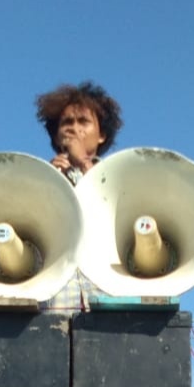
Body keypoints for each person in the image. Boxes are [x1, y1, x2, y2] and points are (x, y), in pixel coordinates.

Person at [35, 81, 123, 310]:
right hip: (56, 302)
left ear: (102, 135)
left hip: (108, 299)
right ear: (56, 137)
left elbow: (117, 214)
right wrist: (50, 179)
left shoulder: (119, 177)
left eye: (83, 122)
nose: (74, 129)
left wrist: (84, 163)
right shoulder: (40, 179)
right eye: (67, 123)